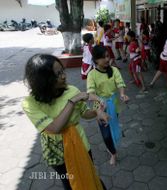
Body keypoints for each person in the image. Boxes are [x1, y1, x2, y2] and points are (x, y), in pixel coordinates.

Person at [22, 54, 108, 190]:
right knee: (70, 184)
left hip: (81, 144)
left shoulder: (72, 90)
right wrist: (72, 101)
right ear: (43, 80)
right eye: (57, 74)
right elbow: (55, 128)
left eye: (62, 71)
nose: (63, 76)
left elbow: (84, 114)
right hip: (56, 153)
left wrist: (97, 112)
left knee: (90, 175)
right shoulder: (30, 103)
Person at [87, 45, 129, 165]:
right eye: (102, 57)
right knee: (106, 134)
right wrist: (100, 100)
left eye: (107, 56)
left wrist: (122, 94)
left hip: (113, 105)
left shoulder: (114, 70)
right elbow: (90, 93)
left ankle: (113, 147)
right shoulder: (92, 74)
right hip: (100, 109)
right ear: (95, 60)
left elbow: (120, 83)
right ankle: (113, 153)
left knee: (113, 125)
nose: (106, 59)